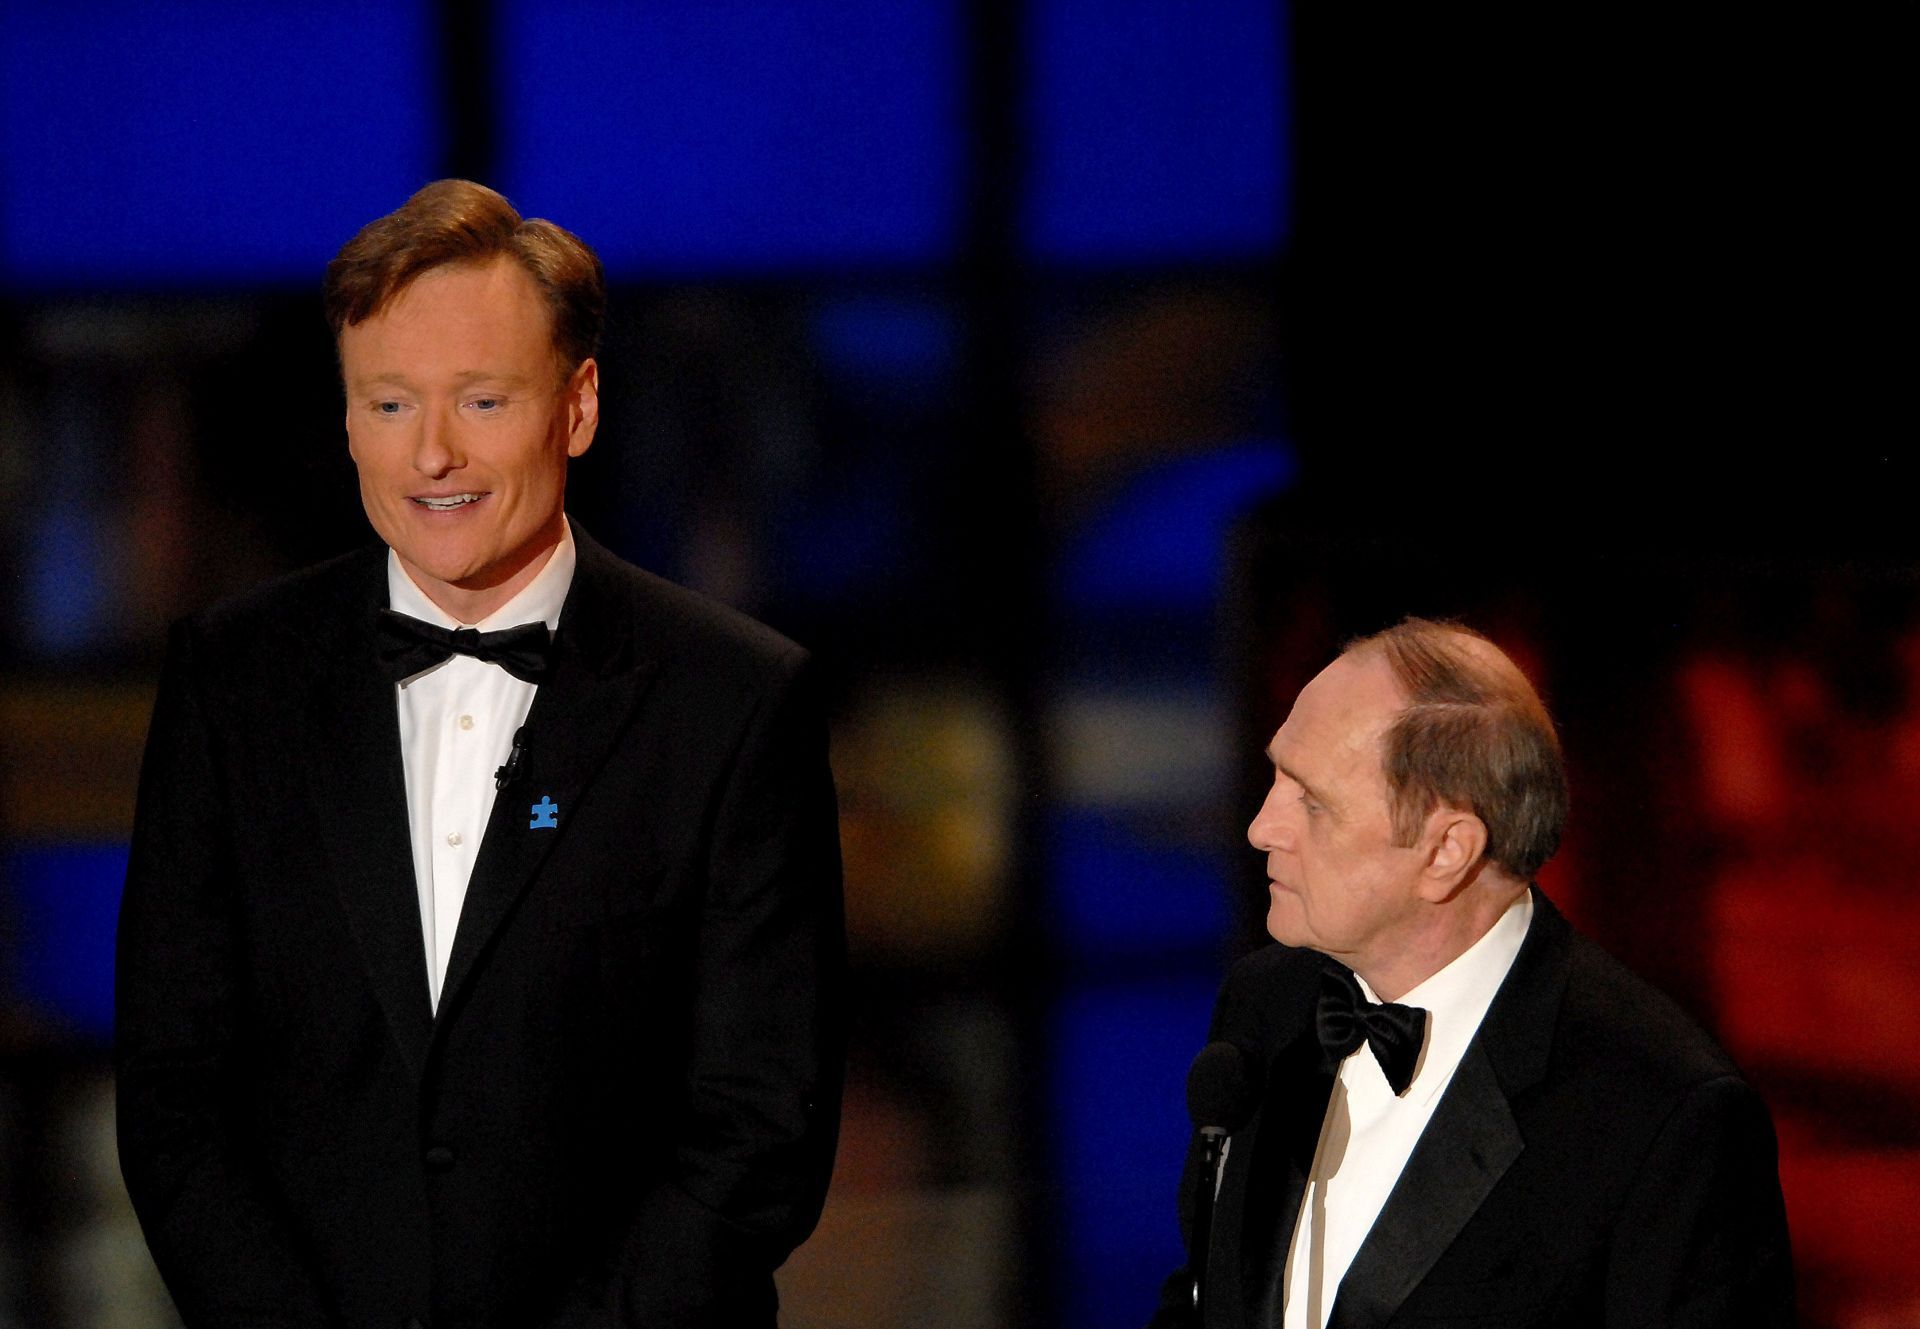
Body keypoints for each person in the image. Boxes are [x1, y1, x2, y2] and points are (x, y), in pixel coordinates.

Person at [115, 180, 845, 1329]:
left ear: (580, 404)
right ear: (346, 418)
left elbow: (763, 1122)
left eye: (482, 400)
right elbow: (174, 1096)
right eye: (391, 404)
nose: (433, 454)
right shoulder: (230, 681)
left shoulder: (734, 701)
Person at [1151, 618, 1793, 1328]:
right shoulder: (1266, 1002)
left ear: (1447, 851)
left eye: (1312, 802)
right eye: (1277, 775)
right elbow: (1203, 1297)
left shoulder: (1664, 1118)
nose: (1262, 827)